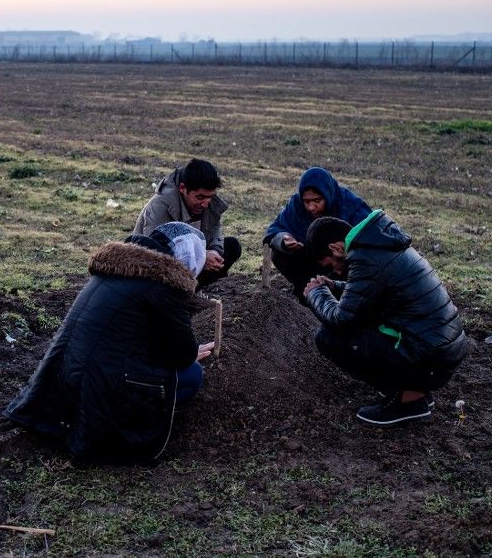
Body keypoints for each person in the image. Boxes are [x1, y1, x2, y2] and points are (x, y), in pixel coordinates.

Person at [4, 222, 215, 463]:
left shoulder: (116, 270)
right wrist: (189, 354)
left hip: (61, 377)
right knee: (191, 374)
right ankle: (127, 419)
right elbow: (183, 354)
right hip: (101, 385)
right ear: (188, 256)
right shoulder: (164, 286)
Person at [302, 210, 468, 426]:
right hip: (441, 352)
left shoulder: (365, 257)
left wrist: (316, 293)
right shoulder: (380, 245)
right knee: (364, 326)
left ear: (335, 248)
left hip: (429, 357)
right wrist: (335, 287)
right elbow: (375, 291)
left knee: (328, 336)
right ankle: (415, 392)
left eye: (331, 264)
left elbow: (342, 320)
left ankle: (410, 401)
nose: (335, 269)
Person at [262, 167, 371, 297]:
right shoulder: (296, 206)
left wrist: (345, 255)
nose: (311, 207)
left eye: (317, 201)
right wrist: (285, 239)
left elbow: (372, 239)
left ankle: (340, 292)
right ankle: (306, 290)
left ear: (327, 195)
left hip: (346, 266)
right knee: (279, 252)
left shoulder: (350, 205)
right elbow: (274, 230)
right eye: (307, 202)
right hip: (313, 262)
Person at [133, 158, 241, 288]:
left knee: (232, 246)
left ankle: (191, 292)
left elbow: (215, 228)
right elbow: (155, 255)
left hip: (191, 261)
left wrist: (214, 251)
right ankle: (178, 298)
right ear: (183, 188)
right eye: (200, 197)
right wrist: (201, 258)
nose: (206, 204)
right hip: (154, 271)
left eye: (210, 197)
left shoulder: (206, 201)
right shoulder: (160, 206)